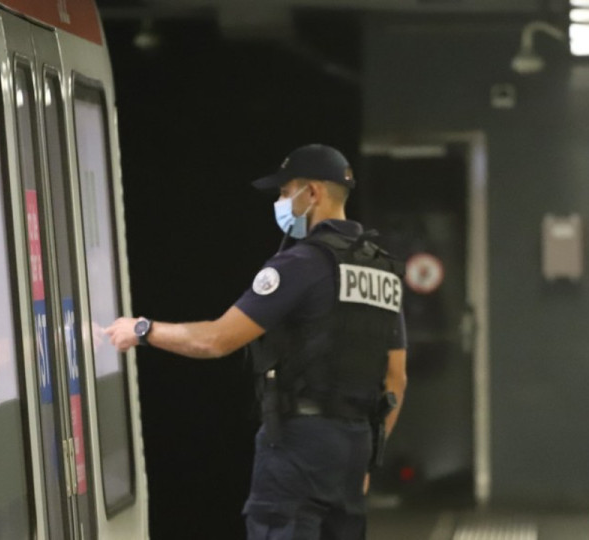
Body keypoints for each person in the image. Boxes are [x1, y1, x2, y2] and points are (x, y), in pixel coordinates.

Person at [105, 144, 408, 540]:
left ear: (312, 193)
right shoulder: (382, 270)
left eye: (285, 193)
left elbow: (216, 340)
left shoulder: (302, 264)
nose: (281, 203)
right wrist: (366, 460)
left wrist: (143, 330)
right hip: (354, 445)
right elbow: (396, 378)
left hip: (300, 444)